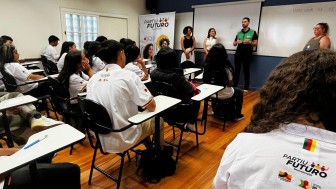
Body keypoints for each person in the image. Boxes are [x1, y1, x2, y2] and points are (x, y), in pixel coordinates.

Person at [213, 49, 336, 189]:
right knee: (238, 93)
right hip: (226, 93)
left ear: (278, 90)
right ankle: (236, 114)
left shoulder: (243, 144)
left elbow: (219, 185)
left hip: (215, 94)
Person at [86, 40, 164, 153]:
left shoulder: (93, 79)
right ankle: (159, 155)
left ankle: (149, 148)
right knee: (158, 120)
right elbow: (152, 106)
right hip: (123, 136)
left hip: (100, 137)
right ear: (122, 54)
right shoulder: (128, 76)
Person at [150, 46, 200, 131]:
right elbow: (189, 91)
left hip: (160, 110)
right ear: (173, 60)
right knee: (197, 98)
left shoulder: (153, 74)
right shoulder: (176, 76)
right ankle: (189, 122)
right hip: (178, 112)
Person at [0, 148, 81, 189]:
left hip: (8, 161)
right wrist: (15, 162)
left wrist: (21, 151)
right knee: (72, 169)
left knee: (46, 150)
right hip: (6, 178)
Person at [203, 44, 244, 121]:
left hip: (210, 93)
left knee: (218, 90)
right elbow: (230, 83)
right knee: (239, 92)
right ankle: (237, 115)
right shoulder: (226, 65)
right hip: (223, 94)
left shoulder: (207, 64)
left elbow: (205, 80)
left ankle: (216, 112)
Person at [233, 17, 258, 92]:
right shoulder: (239, 33)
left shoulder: (253, 32)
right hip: (238, 54)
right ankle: (234, 86)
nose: (243, 23)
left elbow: (255, 44)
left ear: (248, 23)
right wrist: (237, 42)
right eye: (242, 22)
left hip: (247, 54)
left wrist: (250, 42)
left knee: (246, 70)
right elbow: (234, 43)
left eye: (245, 22)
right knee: (236, 70)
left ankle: (246, 87)